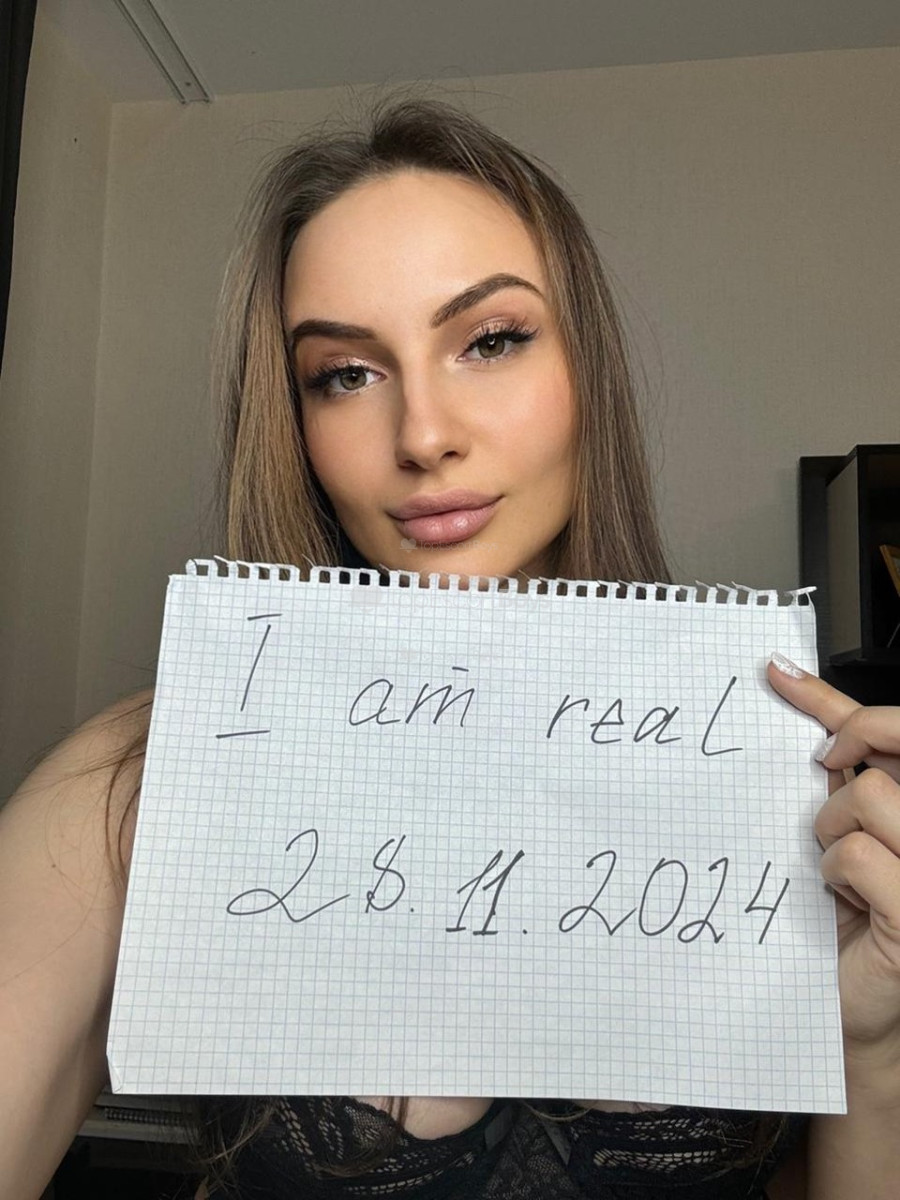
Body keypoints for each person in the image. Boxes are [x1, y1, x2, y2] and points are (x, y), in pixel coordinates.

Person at [1, 94, 899, 1200]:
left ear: (587, 371)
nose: (424, 436)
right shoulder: (139, 789)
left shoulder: (790, 783)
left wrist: (873, 1056)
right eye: (345, 373)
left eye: (490, 341)